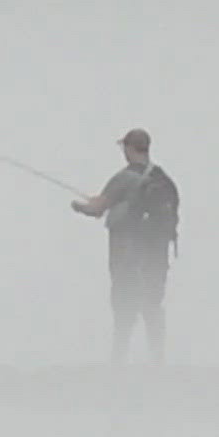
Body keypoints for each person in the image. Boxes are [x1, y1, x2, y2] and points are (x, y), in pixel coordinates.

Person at [71, 128, 179, 365]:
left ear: (130, 149)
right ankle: (157, 360)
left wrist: (79, 206)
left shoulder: (124, 178)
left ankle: (118, 360)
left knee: (124, 305)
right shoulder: (162, 179)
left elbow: (97, 209)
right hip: (156, 254)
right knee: (152, 304)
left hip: (127, 253)